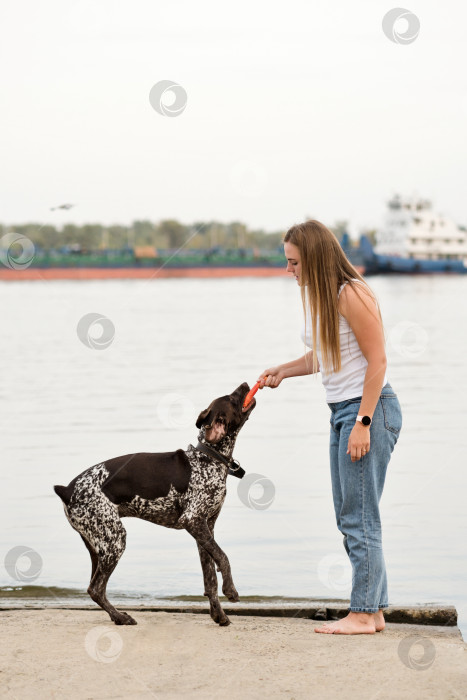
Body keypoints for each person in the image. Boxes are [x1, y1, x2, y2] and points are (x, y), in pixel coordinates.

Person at [257, 220, 402, 635]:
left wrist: (363, 423)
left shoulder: (351, 293)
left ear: (315, 259)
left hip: (368, 410)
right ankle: (373, 613)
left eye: (294, 262)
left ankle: (361, 613)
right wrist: (284, 370)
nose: (290, 271)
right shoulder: (323, 297)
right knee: (352, 516)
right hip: (344, 410)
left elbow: (378, 362)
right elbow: (327, 356)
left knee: (359, 517)